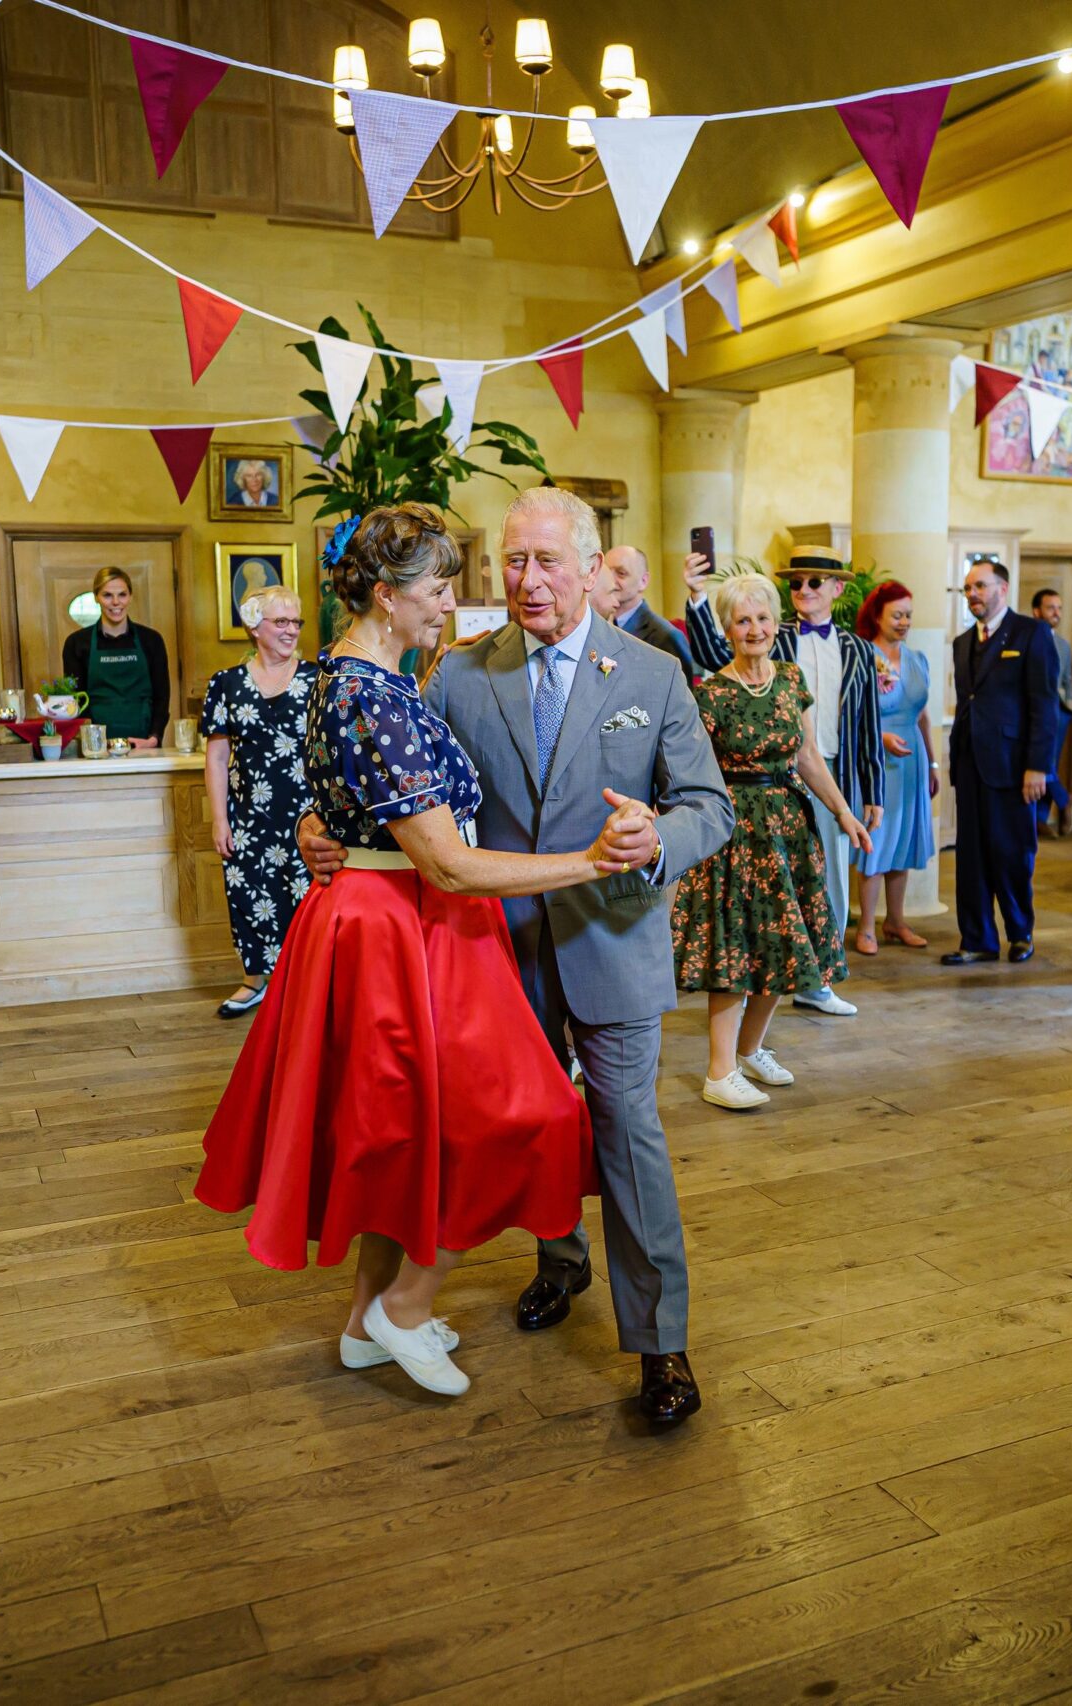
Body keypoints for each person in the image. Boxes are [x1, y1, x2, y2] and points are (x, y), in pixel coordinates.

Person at [296, 487, 733, 1426]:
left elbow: (711, 805)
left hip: (613, 943)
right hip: (487, 955)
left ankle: (661, 1345)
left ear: (589, 566)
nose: (524, 582)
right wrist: (316, 826)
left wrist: (657, 839)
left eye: (544, 563)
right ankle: (558, 1263)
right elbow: (389, 781)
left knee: (626, 1136)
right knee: (513, 1126)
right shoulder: (456, 672)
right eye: (512, 562)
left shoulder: (654, 676)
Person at [199, 505, 653, 1402]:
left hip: (389, 920)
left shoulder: (352, 678)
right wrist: (590, 862)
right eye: (437, 588)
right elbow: (446, 862)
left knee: (395, 1135)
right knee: (528, 1118)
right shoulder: (371, 692)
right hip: (407, 925)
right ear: (386, 594)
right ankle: (405, 1307)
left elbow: (344, 804)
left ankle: (365, 1323)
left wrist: (318, 826)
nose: (451, 603)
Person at [675, 571, 873, 1109]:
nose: (755, 628)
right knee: (736, 951)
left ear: (775, 623)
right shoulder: (711, 693)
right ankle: (718, 1073)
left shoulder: (789, 680)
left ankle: (749, 1050)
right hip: (735, 831)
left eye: (763, 617)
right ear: (728, 629)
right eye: (743, 620)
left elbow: (807, 757)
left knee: (783, 946)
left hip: (789, 826)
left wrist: (844, 813)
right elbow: (694, 771)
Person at [202, 587, 315, 1018]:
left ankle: (306, 985)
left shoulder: (315, 678)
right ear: (254, 627)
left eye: (295, 622)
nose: (291, 630)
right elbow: (215, 756)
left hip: (309, 817)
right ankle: (255, 982)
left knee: (307, 900)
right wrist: (219, 819)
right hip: (248, 817)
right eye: (280, 622)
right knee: (251, 898)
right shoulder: (226, 684)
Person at [943, 559, 1060, 967]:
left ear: (1003, 589)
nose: (972, 594)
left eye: (980, 586)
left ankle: (1019, 932)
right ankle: (976, 938)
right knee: (970, 855)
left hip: (1014, 767)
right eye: (967, 588)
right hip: (971, 762)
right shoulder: (961, 643)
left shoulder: (1031, 634)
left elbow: (1045, 704)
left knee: (1011, 852)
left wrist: (1038, 766)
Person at [853, 580, 935, 954]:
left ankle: (896, 920)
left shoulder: (918, 660)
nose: (904, 622)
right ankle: (866, 926)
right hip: (878, 759)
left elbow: (923, 717)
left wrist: (932, 762)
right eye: (897, 615)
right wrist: (881, 738)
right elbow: (851, 717)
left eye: (908, 616)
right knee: (877, 841)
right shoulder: (863, 657)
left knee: (903, 841)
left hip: (913, 759)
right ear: (878, 616)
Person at [62, 567, 170, 746]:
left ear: (130, 596)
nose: (115, 602)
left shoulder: (151, 640)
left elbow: (162, 696)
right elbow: (76, 700)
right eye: (107, 595)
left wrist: (154, 738)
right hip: (96, 746)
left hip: (143, 745)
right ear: (96, 597)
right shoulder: (77, 643)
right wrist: (91, 741)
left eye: (122, 594)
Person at [596, 544, 694, 674]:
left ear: (643, 581)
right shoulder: (599, 625)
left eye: (621, 573)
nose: (612, 581)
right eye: (607, 572)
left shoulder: (666, 636)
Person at [1031, 587, 1072, 835]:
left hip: (1058, 712)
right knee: (1040, 761)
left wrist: (1071, 708)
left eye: (1059, 608)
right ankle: (1063, 799)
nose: (1056, 613)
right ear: (1036, 611)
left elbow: (1068, 679)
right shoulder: (1026, 639)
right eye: (1051, 608)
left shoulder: (1063, 644)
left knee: (1049, 762)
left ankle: (1041, 817)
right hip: (1033, 711)